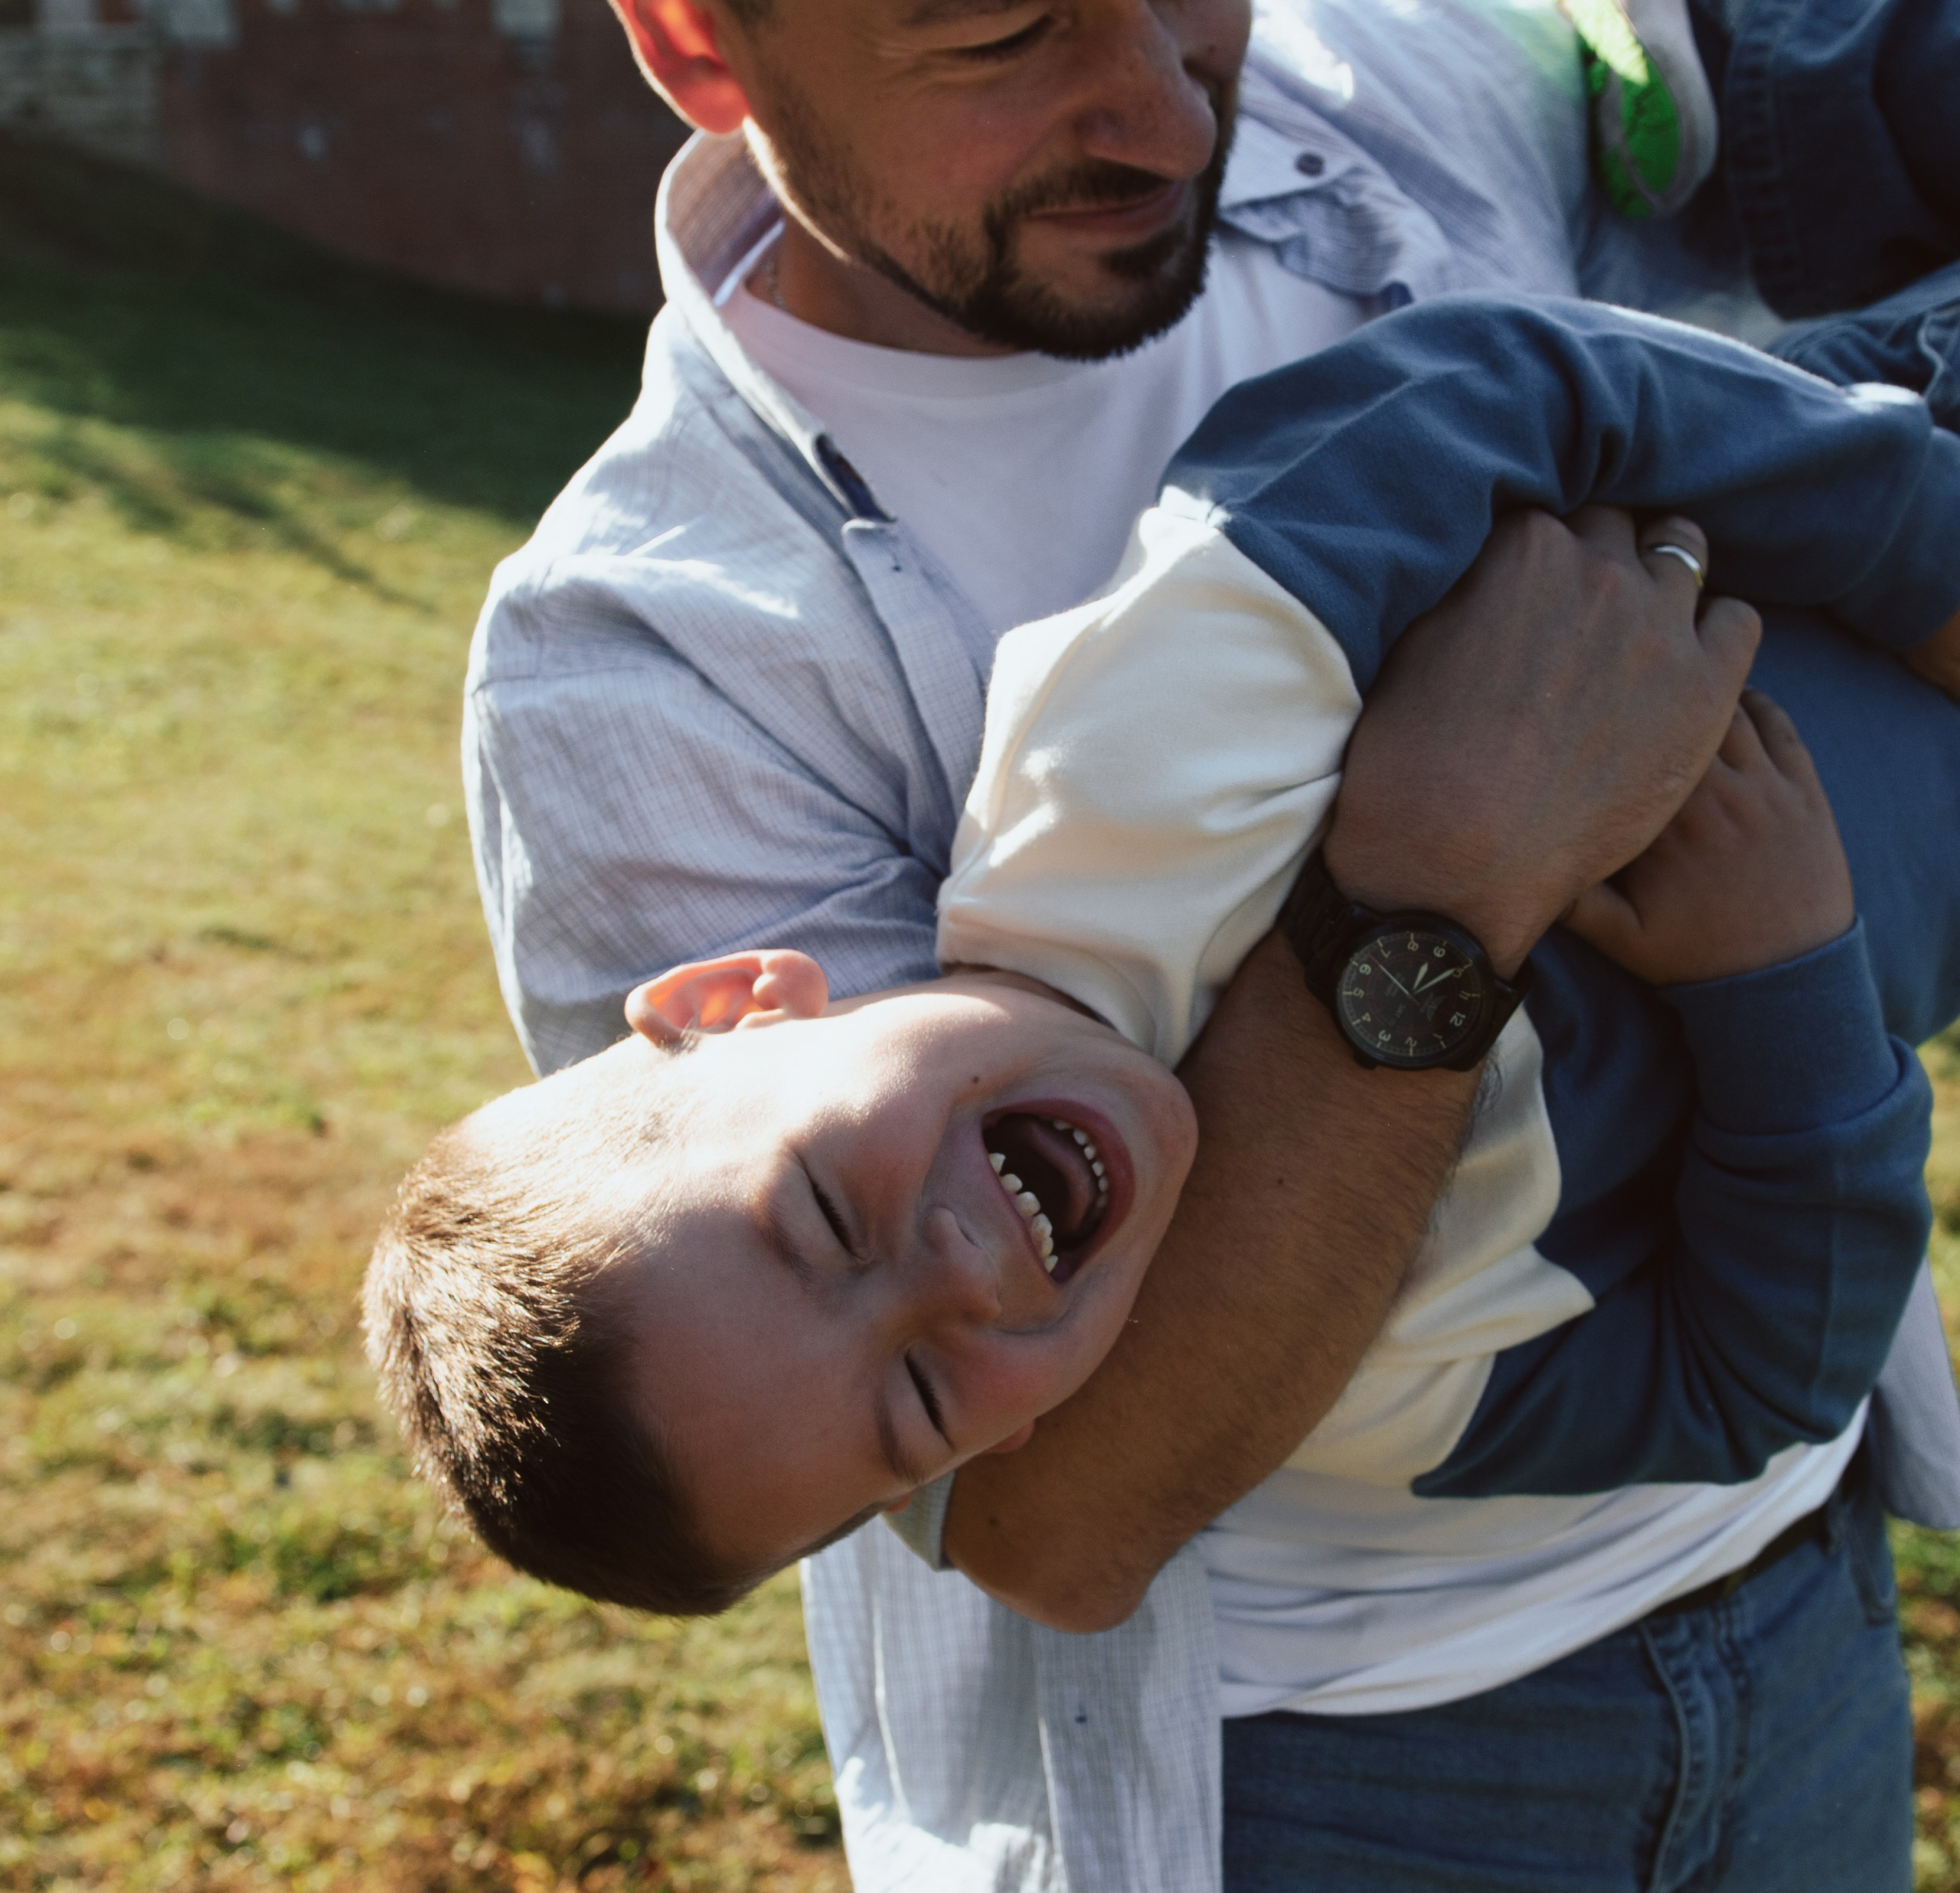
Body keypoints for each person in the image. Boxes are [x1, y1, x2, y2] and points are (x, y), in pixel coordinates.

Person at [461, 0, 1960, 1893]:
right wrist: (1429, 886)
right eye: (1008, 31)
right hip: (1261, 1809)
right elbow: (1063, 1481)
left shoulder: (1394, 99)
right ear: (691, 22)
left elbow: (1778, 170)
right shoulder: (644, 666)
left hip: (1775, 1623)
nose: (1165, 102)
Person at [376, 287, 1960, 1608]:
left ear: (742, 1002)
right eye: (920, 1401)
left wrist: (1930, 561)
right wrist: (1781, 979)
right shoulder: (1337, 1376)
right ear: (972, 1469)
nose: (952, 1277)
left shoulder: (1130, 766)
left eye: (821, 1214)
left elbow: (1505, 385)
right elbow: (1748, 1381)